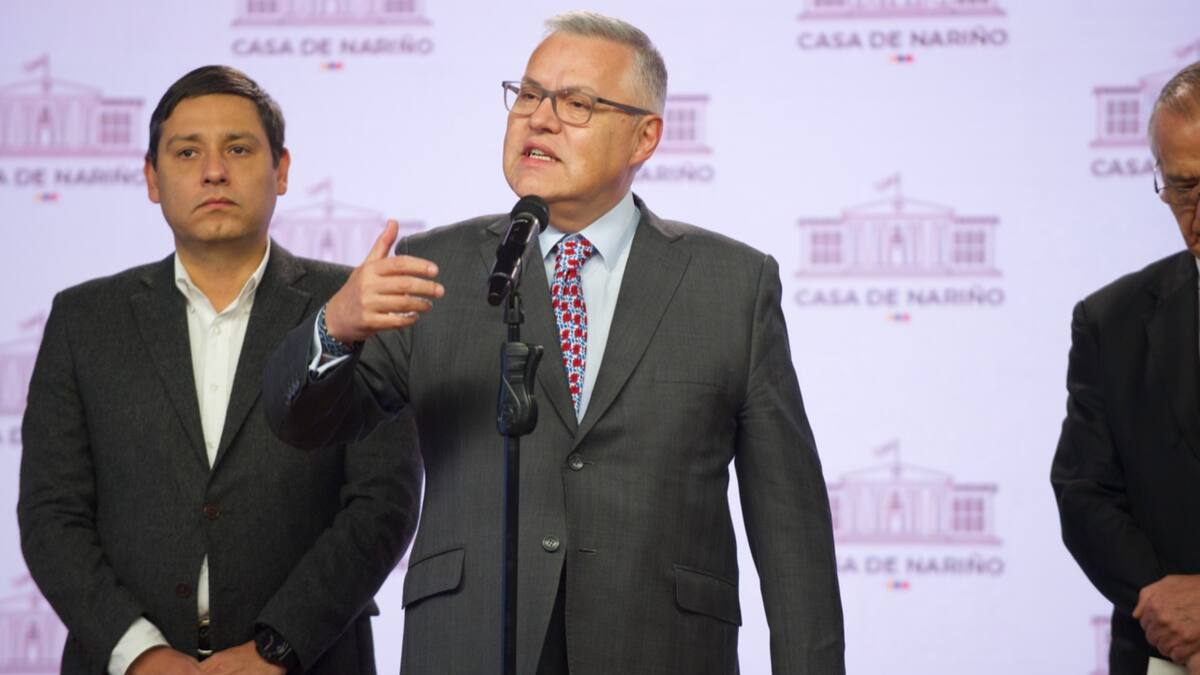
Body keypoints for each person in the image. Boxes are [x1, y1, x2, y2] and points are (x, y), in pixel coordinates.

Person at [264, 11, 844, 675]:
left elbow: (791, 527)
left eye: (576, 103)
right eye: (529, 95)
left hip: (662, 648)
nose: (539, 119)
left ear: (645, 137)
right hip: (471, 644)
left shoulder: (732, 285)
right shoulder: (433, 269)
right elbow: (301, 423)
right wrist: (333, 326)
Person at [18, 65, 422, 675]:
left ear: (281, 170)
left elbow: (382, 503)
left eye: (238, 148)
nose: (213, 171)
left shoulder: (354, 307)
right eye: (187, 152)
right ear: (151, 178)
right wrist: (139, 652)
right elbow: (52, 515)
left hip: (311, 660)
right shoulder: (84, 320)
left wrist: (277, 648)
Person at [1052, 60, 1200, 675]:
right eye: (1183, 189)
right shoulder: (1111, 321)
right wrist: (1171, 610)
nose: (1199, 215)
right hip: (1164, 655)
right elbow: (1085, 494)